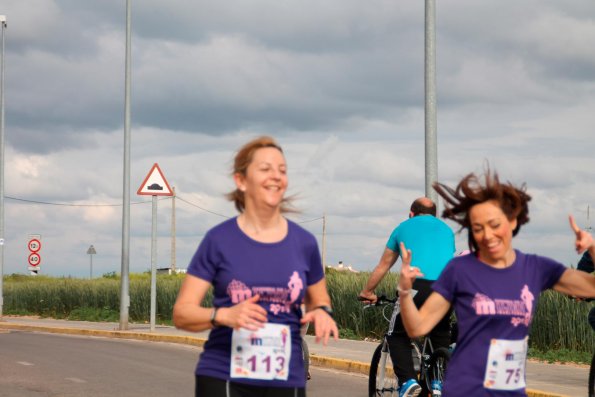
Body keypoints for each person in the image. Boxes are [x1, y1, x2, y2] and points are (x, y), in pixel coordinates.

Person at [398, 168, 595, 397]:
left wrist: (591, 248)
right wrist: (404, 291)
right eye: (478, 228)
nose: (487, 235)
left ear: (512, 222)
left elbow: (589, 287)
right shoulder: (460, 270)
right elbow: (418, 327)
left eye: (494, 225)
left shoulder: (534, 268)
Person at [173, 136, 338, 397]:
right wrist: (223, 315)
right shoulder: (219, 241)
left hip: (286, 378)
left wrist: (322, 312)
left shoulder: (304, 243)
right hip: (224, 376)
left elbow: (320, 300)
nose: (276, 176)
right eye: (265, 169)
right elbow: (182, 313)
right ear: (241, 180)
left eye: (282, 170)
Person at [359, 197, 455, 397]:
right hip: (448, 289)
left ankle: (407, 382)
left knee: (397, 334)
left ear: (411, 213)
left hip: (416, 286)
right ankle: (438, 380)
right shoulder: (447, 230)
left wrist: (367, 292)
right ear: (434, 215)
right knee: (440, 332)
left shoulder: (403, 227)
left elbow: (384, 265)